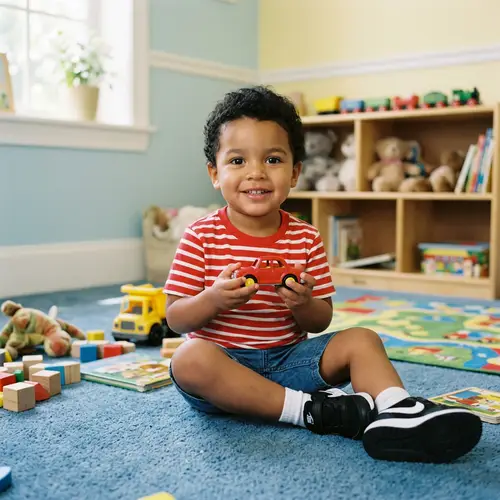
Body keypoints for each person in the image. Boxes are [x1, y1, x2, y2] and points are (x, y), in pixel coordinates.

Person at [163, 85, 482, 463]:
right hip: (224, 372)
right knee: (188, 358)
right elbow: (175, 316)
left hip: (288, 362)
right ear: (214, 173)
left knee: (362, 339)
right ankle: (312, 411)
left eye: (273, 160)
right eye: (237, 161)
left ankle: (398, 410)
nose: (256, 173)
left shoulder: (305, 236)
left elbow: (321, 319)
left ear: (295, 172)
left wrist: (303, 303)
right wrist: (212, 299)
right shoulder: (201, 235)